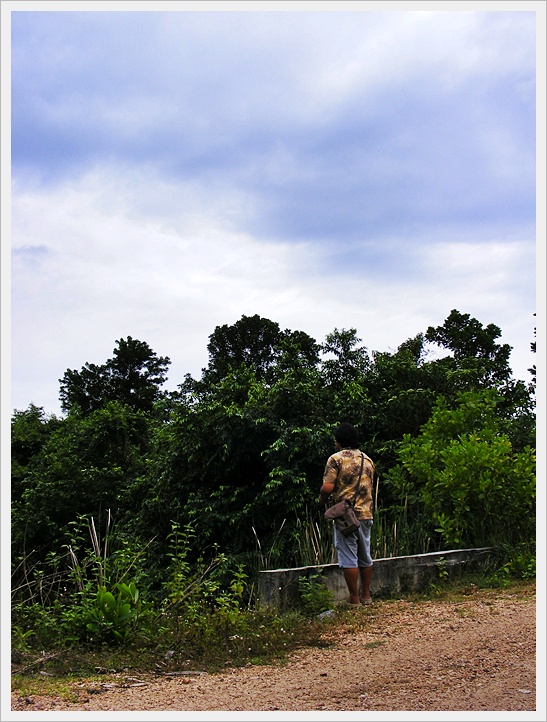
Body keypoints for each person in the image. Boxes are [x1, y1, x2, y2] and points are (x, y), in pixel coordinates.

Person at [318, 422, 375, 607]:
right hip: (366, 514)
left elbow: (328, 486)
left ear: (339, 441)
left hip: (345, 515)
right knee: (365, 555)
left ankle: (354, 599)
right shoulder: (368, 460)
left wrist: (321, 499)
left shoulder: (336, 459)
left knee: (348, 556)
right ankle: (366, 596)